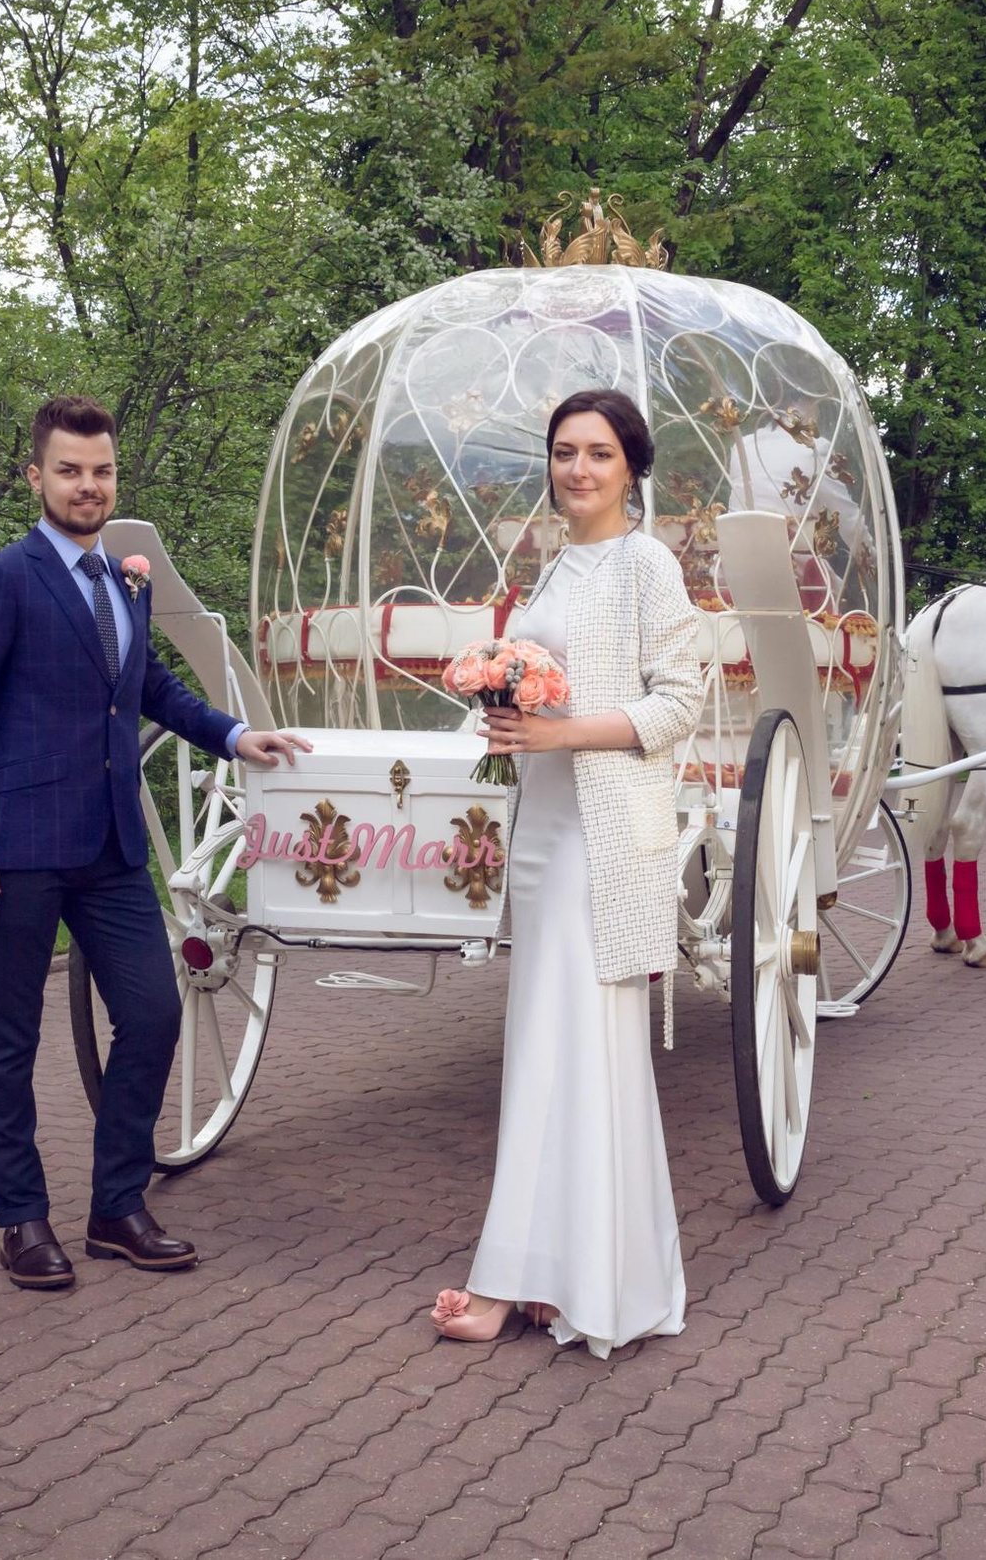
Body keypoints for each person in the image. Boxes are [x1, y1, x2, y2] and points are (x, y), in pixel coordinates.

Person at [0, 395, 311, 1291]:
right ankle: (22, 1222)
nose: (86, 485)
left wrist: (231, 735)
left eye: (100, 471)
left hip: (108, 848)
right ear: (36, 477)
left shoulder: (125, 581)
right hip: (12, 850)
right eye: (68, 470)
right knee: (5, 1040)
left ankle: (115, 1208)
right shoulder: (2, 579)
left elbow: (148, 688)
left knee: (155, 1012)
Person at [430, 388, 704, 1355]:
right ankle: (554, 1272)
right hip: (544, 827)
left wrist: (559, 730)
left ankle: (530, 1280)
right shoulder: (555, 565)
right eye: (562, 452)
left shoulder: (647, 565)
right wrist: (504, 710)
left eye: (596, 453)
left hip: (603, 833)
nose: (577, 469)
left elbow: (679, 704)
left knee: (576, 1045)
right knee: (543, 1046)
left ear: (632, 466)